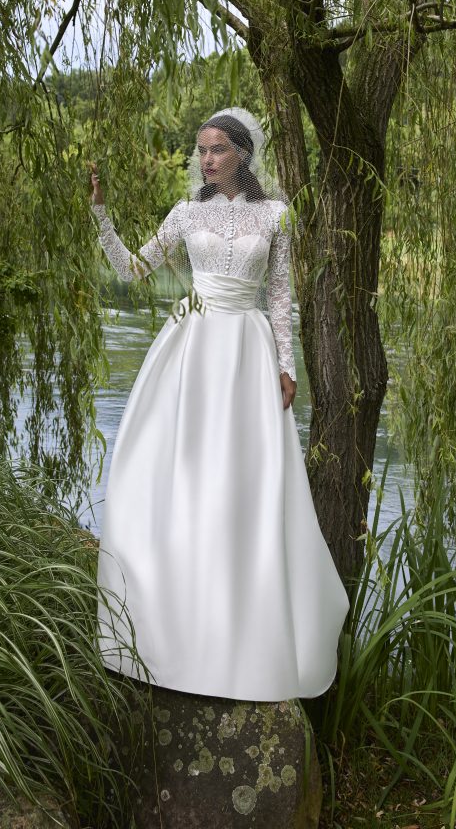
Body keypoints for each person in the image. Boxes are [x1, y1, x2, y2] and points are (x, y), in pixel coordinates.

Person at [90, 107, 350, 702]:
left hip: (247, 351)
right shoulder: (187, 212)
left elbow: (280, 294)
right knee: (183, 475)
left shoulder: (276, 215)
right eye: (200, 150)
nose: (205, 160)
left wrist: (287, 366)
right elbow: (133, 268)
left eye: (217, 149)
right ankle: (174, 621)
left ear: (242, 153)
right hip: (193, 349)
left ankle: (243, 627)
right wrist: (101, 216)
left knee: (242, 483)